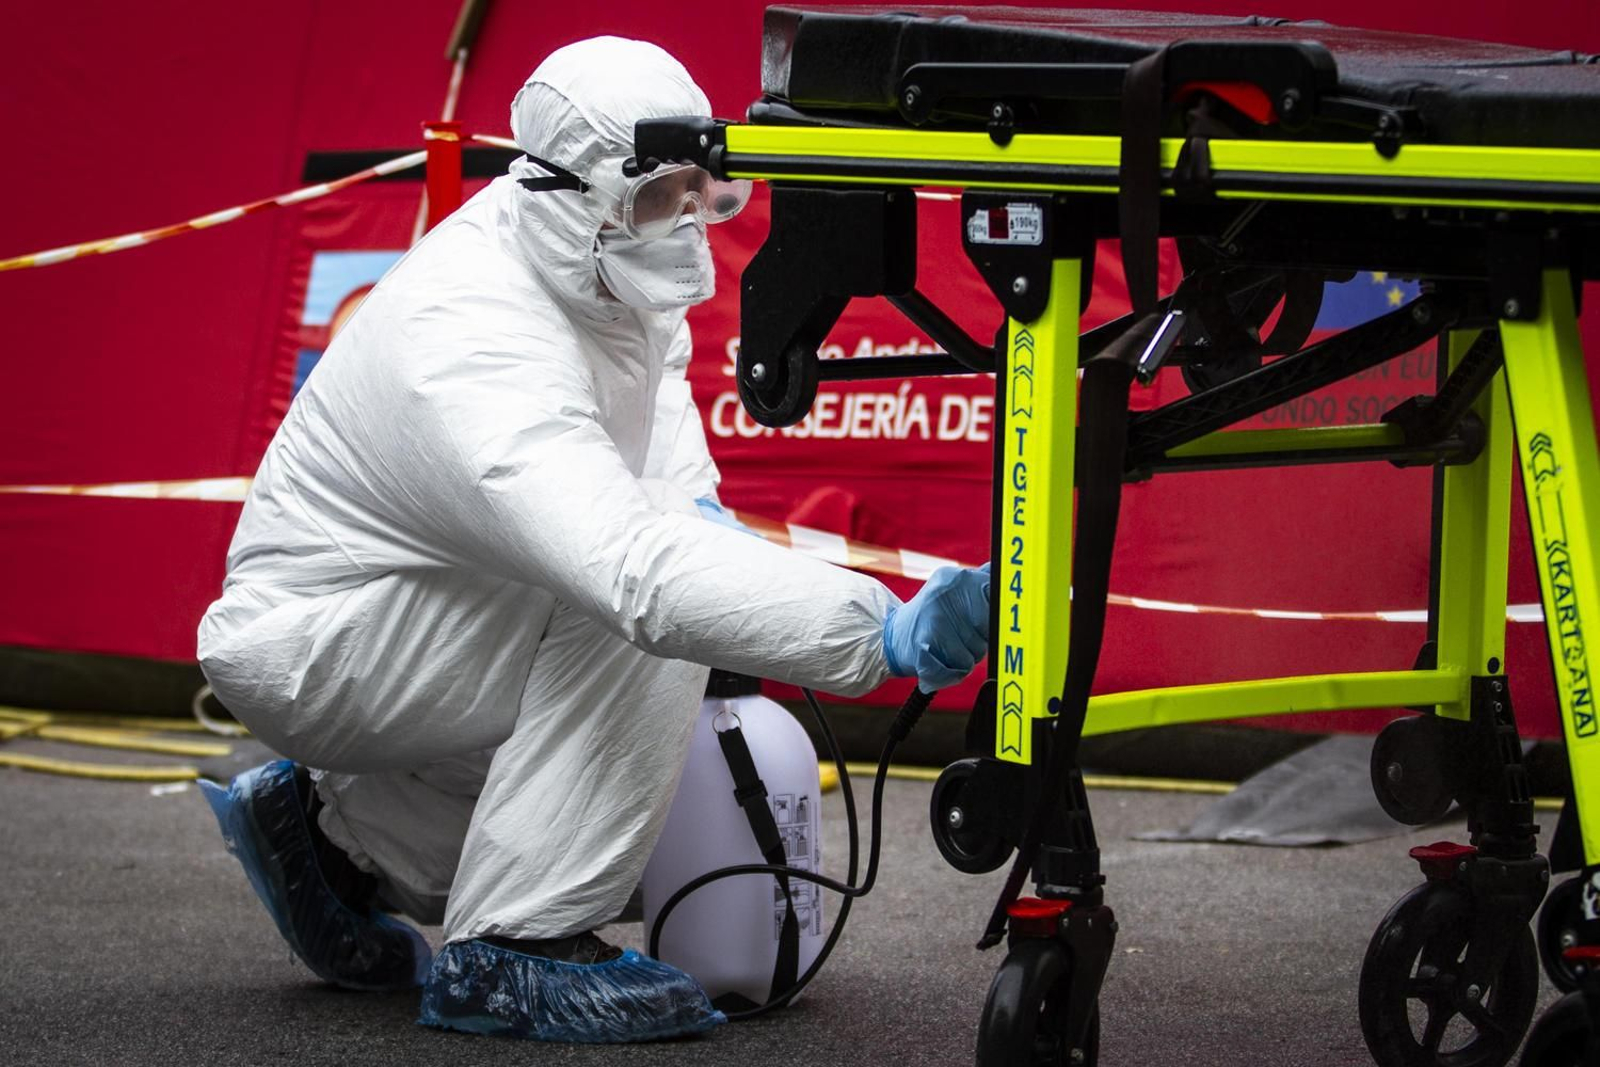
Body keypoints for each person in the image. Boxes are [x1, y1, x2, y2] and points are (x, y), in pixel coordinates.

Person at [196, 36, 990, 1043]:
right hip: (317, 640)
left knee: (627, 674)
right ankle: (519, 947)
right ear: (566, 191)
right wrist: (876, 631)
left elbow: (676, 491)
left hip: (420, 611)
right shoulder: (472, 338)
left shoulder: (601, 263)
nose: (693, 223)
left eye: (704, 188)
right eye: (664, 194)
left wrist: (734, 598)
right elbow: (635, 566)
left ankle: (330, 845)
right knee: (630, 611)